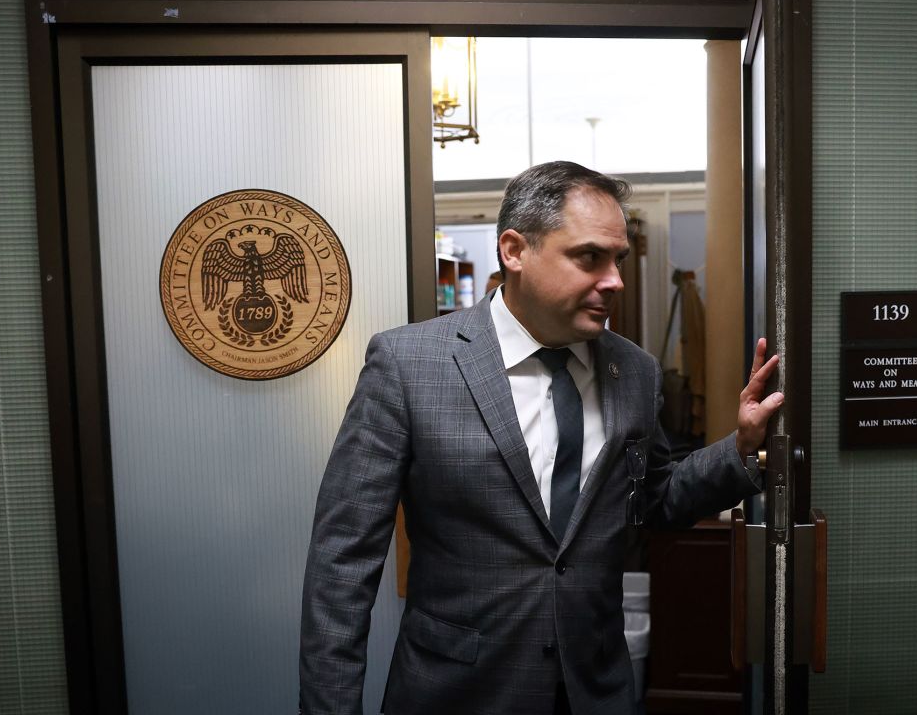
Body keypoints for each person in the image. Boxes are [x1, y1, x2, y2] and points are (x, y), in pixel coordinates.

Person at [299, 161, 783, 715]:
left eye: (618, 260)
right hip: (458, 691)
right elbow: (343, 562)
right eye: (589, 257)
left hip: (595, 689)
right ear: (514, 251)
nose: (615, 281)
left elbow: (654, 500)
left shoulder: (636, 371)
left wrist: (741, 448)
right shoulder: (409, 366)